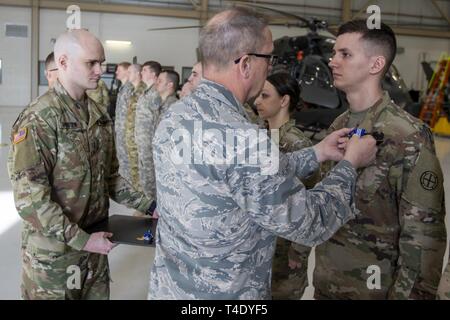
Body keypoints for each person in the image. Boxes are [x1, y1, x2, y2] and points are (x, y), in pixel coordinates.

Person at [148, 7, 377, 300]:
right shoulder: (243, 137)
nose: (270, 68)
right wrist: (349, 165)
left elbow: (240, 175)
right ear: (245, 64)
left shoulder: (175, 116)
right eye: (269, 58)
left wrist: (317, 153)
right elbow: (310, 222)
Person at [7, 29, 153, 300]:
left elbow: (109, 178)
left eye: (102, 62)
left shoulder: (97, 116)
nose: (100, 70)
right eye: (91, 63)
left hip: (95, 249)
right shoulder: (40, 119)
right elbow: (31, 202)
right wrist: (83, 240)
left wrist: (149, 205)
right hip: (54, 259)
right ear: (63, 62)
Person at [311, 19, 447, 300]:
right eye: (334, 53)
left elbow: (423, 238)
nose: (333, 61)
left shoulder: (408, 135)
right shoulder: (338, 126)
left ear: (375, 65)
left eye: (345, 54)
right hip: (327, 286)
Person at [254, 72, 320, 299]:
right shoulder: (259, 136)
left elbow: (310, 202)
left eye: (264, 96)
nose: (257, 102)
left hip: (285, 252)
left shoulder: (297, 143)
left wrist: (299, 252)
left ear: (284, 100)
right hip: (258, 248)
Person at [135, 60, 162, 201]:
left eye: (144, 70)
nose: (141, 73)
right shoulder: (146, 92)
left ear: (153, 74)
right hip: (143, 143)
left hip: (150, 144)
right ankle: (149, 204)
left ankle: (154, 205)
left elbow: (159, 120)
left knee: (151, 176)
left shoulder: (156, 94)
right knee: (145, 176)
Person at [125, 64, 146, 190]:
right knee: (133, 167)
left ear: (138, 73)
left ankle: (142, 199)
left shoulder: (142, 90)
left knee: (140, 169)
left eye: (130, 72)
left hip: (138, 137)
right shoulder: (133, 90)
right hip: (130, 136)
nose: (128, 75)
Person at [114, 61, 133, 180]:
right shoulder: (123, 88)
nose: (116, 72)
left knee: (127, 159)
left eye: (119, 70)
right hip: (120, 130)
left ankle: (129, 183)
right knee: (121, 158)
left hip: (127, 131)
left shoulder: (130, 88)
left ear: (127, 71)